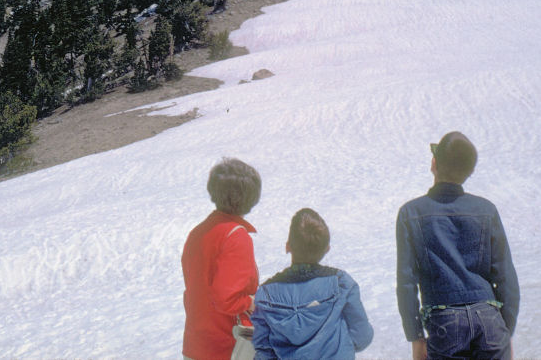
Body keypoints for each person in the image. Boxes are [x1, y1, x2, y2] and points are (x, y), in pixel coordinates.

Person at [396, 131, 520, 360]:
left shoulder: (411, 213)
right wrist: (505, 331)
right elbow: (506, 277)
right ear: (469, 172)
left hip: (444, 322)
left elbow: (406, 282)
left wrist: (416, 337)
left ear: (434, 163)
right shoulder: (486, 210)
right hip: (490, 319)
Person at [251, 208, 373, 359]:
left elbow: (263, 348)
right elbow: (362, 336)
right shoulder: (341, 283)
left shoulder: (266, 294)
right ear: (326, 249)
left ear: (288, 246)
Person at [182, 158, 262, 360]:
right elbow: (227, 299)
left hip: (196, 343)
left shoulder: (198, 232)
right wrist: (252, 302)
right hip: (226, 347)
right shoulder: (236, 236)